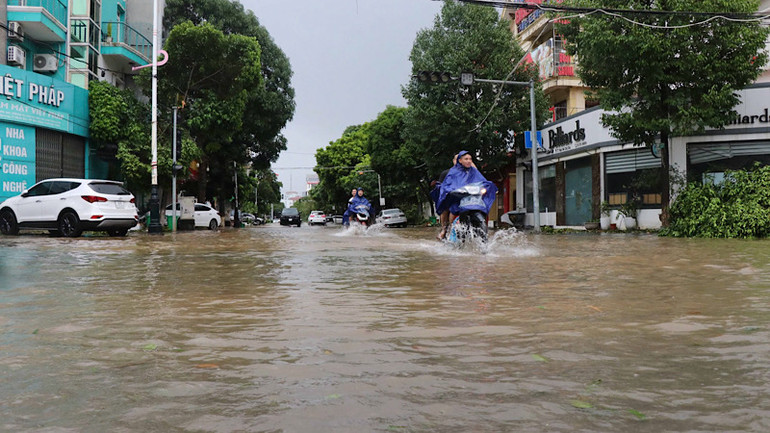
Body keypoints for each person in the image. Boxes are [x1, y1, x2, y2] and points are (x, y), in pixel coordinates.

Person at [435, 150, 487, 240]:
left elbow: (479, 178)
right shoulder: (449, 173)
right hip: (454, 197)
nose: (468, 161)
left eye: (469, 159)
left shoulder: (470, 172)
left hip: (470, 197)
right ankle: (447, 229)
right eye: (464, 159)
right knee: (448, 209)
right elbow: (442, 186)